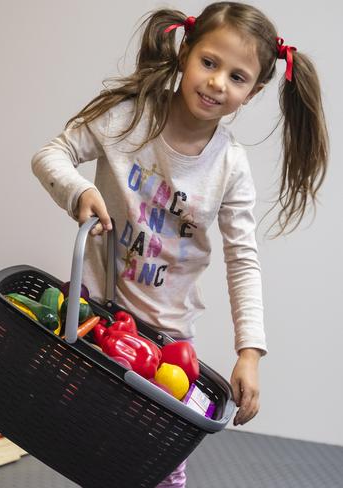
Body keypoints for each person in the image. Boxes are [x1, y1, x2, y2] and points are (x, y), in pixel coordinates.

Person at [31, 2, 328, 487]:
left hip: (168, 341)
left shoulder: (230, 166)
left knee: (162, 463)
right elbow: (51, 153)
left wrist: (249, 352)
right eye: (209, 63)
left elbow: (242, 261)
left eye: (237, 77)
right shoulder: (127, 117)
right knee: (87, 443)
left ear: (251, 93)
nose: (216, 83)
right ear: (185, 50)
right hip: (92, 316)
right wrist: (79, 190)